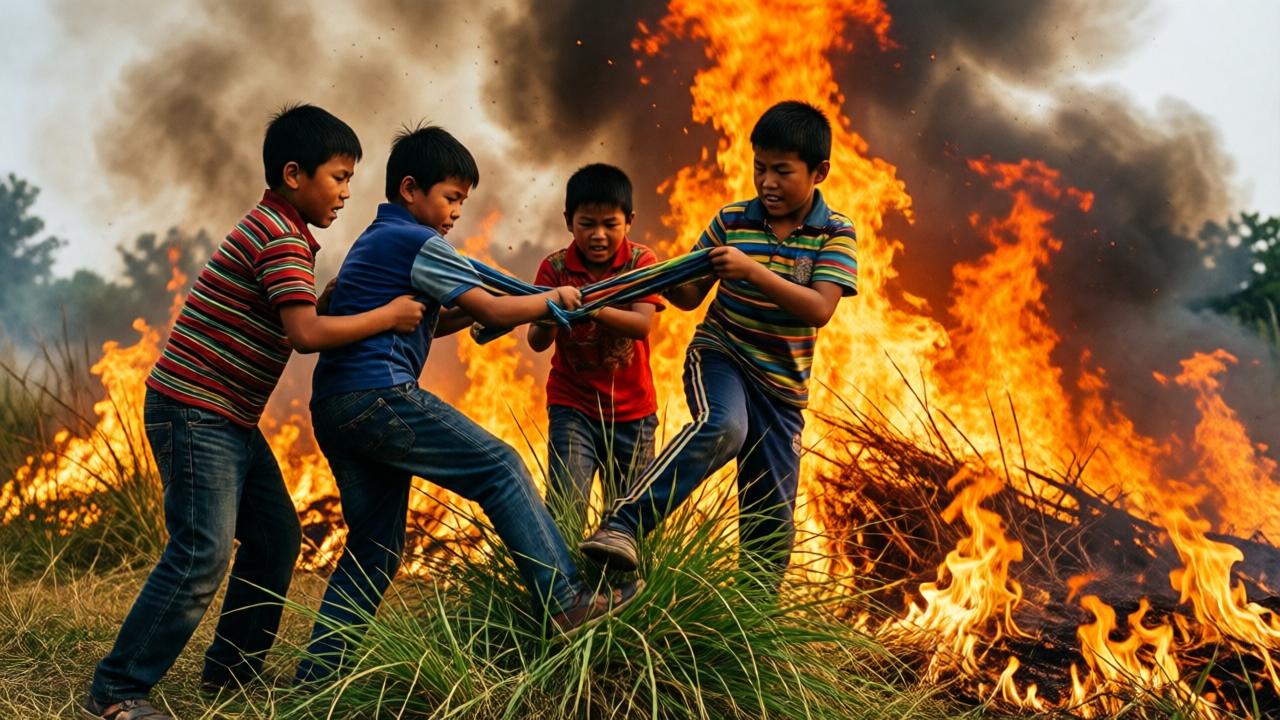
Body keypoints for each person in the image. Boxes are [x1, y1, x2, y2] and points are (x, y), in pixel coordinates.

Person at [83, 104, 426, 720]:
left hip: (227, 415)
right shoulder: (279, 237)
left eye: (351, 179)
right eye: (339, 177)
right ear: (294, 174)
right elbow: (303, 334)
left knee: (274, 536)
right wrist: (387, 317)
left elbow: (293, 312)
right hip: (195, 409)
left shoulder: (282, 234)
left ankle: (231, 673)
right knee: (202, 551)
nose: (347, 192)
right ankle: (117, 691)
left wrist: (329, 306)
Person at [296, 125, 642, 683]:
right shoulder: (419, 242)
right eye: (452, 197)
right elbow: (500, 309)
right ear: (411, 189)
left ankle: (317, 677)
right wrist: (548, 299)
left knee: (376, 549)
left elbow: (438, 320)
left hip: (336, 406)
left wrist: (484, 312)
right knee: (500, 467)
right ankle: (568, 601)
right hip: (378, 393)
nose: (457, 211)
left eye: (462, 200)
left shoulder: (375, 238)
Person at [579, 101, 858, 589]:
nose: (767, 182)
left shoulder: (836, 232)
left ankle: (756, 624)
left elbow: (819, 308)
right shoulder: (732, 219)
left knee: (771, 521)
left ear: (819, 172)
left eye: (782, 171)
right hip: (722, 355)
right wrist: (658, 276)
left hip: (784, 391)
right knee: (724, 425)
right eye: (760, 168)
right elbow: (688, 297)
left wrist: (751, 270)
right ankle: (624, 522)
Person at [527, 163, 662, 533]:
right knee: (566, 509)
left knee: (632, 520)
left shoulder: (640, 262)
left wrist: (593, 308)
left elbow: (641, 325)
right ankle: (564, 586)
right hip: (574, 408)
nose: (598, 235)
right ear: (569, 220)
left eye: (610, 224)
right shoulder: (554, 269)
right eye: (587, 224)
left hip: (633, 413)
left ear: (629, 221)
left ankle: (632, 587)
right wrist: (550, 308)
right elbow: (537, 342)